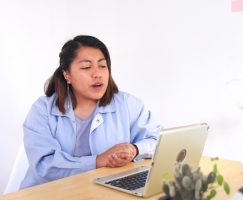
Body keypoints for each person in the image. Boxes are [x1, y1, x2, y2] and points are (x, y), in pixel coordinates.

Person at [20, 35, 161, 189]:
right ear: (67, 75)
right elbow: (44, 165)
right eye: (87, 67)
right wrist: (99, 160)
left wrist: (135, 149)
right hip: (49, 193)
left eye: (102, 66)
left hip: (103, 192)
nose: (97, 74)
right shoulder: (42, 110)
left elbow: (158, 140)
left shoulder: (127, 104)